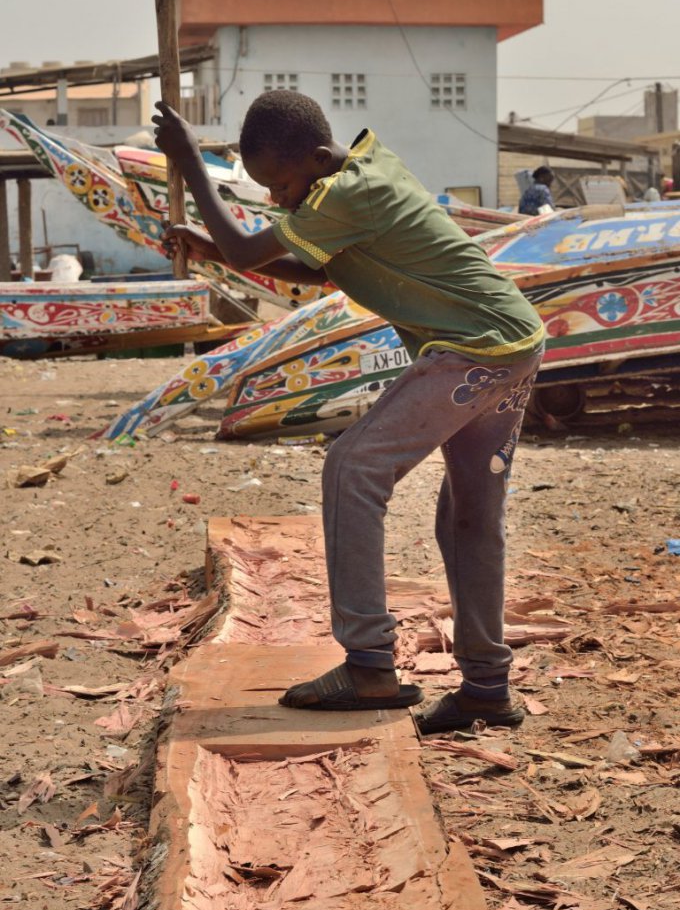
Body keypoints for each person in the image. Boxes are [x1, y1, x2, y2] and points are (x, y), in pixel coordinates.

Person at [152, 91, 545, 734]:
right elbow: (319, 273)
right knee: (468, 518)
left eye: (279, 185)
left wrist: (191, 161)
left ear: (317, 156)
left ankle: (369, 665)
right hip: (512, 343)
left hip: (475, 351)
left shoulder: (347, 191)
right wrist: (215, 245)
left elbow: (252, 253)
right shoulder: (354, 179)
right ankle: (486, 688)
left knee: (352, 466)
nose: (278, 200)